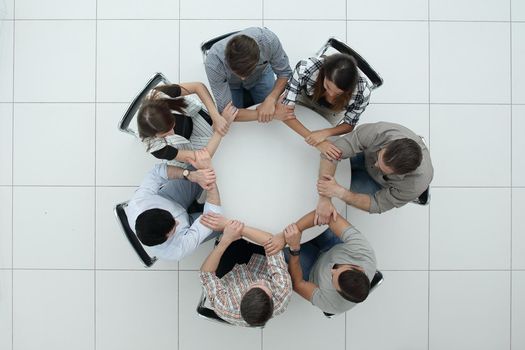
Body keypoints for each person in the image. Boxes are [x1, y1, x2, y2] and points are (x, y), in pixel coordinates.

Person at [315, 122, 434, 221]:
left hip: (377, 183)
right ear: (387, 145)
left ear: (399, 174)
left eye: (383, 169)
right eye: (379, 157)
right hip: (365, 154)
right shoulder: (380, 132)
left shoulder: (413, 186)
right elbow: (332, 152)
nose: (376, 165)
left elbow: (376, 204)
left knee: (333, 206)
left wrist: (342, 193)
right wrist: (325, 197)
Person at [126, 149, 221, 261]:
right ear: (166, 238)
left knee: (199, 164)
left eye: (171, 217)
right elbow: (213, 216)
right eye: (174, 227)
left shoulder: (139, 202)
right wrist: (210, 181)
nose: (177, 221)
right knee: (226, 221)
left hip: (171, 198)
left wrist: (189, 175)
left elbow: (156, 172)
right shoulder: (176, 250)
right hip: (189, 227)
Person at [199, 215, 292, 327]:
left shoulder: (224, 305)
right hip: (262, 259)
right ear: (272, 300)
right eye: (265, 285)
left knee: (236, 222)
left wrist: (227, 238)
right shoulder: (282, 292)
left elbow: (206, 274)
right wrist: (233, 226)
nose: (262, 281)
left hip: (232, 271)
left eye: (256, 284)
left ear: (242, 296)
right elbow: (271, 241)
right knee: (267, 225)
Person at [280, 53, 373, 160]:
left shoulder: (362, 92)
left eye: (338, 93)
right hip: (306, 98)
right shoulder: (305, 68)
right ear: (324, 73)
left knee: (312, 154)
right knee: (287, 137)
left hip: (333, 112)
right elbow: (284, 111)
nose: (331, 95)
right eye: (328, 86)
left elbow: (349, 124)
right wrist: (315, 140)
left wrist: (326, 132)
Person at [282, 210, 376, 315]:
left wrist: (294, 249)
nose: (331, 269)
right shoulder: (364, 254)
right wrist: (297, 229)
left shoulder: (332, 304)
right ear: (359, 268)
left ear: (339, 293)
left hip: (312, 268)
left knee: (281, 242)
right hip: (332, 246)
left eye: (332, 277)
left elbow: (298, 284)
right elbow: (328, 215)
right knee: (309, 213)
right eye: (338, 268)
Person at [204, 27, 295, 123]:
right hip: (230, 83)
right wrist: (270, 114)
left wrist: (271, 99)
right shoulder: (214, 62)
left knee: (272, 113)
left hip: (261, 75)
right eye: (237, 72)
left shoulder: (269, 41)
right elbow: (226, 112)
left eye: (249, 71)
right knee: (231, 121)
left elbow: (285, 73)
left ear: (258, 55)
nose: (243, 78)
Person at [137, 82, 238, 168]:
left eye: (172, 126)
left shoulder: (159, 96)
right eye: (165, 135)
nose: (172, 132)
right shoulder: (155, 147)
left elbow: (198, 86)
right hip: (181, 146)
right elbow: (202, 158)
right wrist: (222, 126)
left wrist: (216, 116)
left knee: (212, 135)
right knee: (201, 159)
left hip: (191, 116)